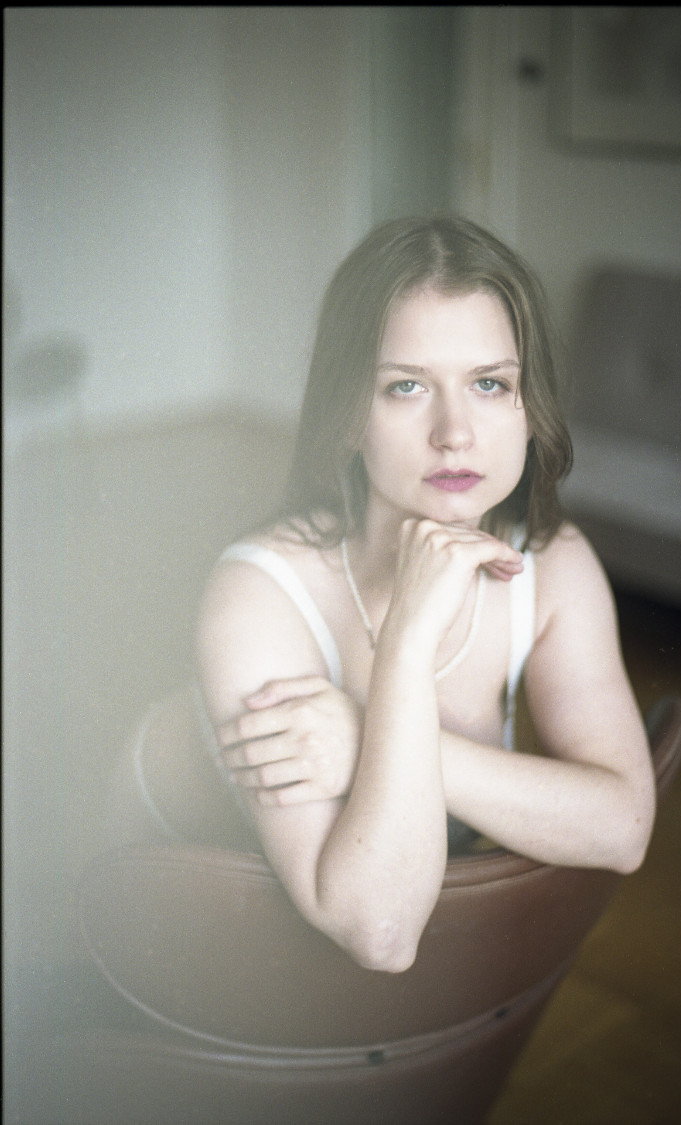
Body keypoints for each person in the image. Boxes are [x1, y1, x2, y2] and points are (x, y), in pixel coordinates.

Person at [196, 216, 656, 974]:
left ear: (530, 406)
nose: (454, 432)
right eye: (405, 386)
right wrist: (407, 639)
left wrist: (364, 735)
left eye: (489, 383)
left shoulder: (553, 563)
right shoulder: (260, 592)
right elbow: (378, 931)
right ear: (348, 413)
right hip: (192, 901)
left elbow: (625, 828)